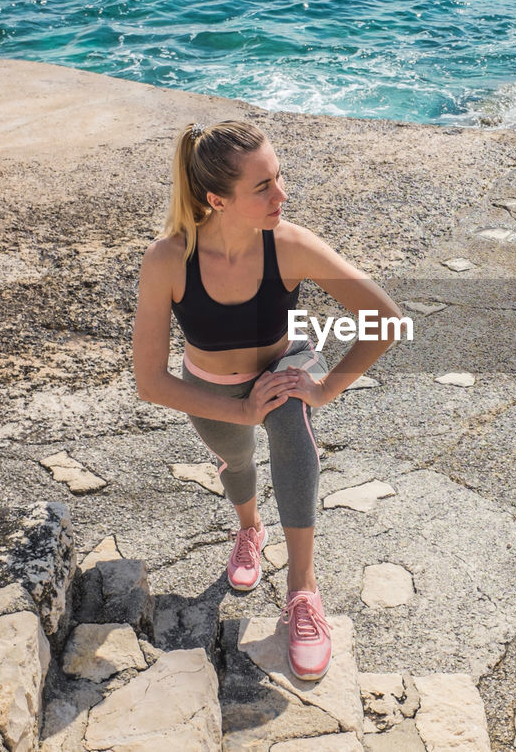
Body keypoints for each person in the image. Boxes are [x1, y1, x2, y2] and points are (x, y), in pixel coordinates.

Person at [132, 120, 400, 681]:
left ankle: (303, 592)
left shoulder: (291, 245)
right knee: (238, 462)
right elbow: (150, 382)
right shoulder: (168, 260)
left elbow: (386, 320)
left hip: (285, 365)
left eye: (279, 178)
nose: (282, 196)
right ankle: (249, 528)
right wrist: (240, 411)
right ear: (216, 199)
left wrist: (325, 388)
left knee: (291, 420)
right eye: (263, 187)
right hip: (210, 388)